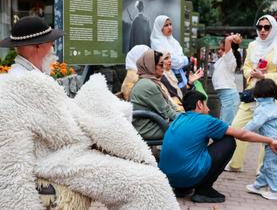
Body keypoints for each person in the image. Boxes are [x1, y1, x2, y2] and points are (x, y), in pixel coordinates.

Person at [0, 16, 180, 210]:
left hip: (63, 156)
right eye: (50, 42)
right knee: (149, 183)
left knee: (149, 179)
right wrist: (100, 122)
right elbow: (67, 133)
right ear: (36, 47)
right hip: (59, 161)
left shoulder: (23, 78)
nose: (53, 47)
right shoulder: (25, 84)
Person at [158, 90, 277, 203]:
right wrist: (270, 141)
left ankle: (182, 188)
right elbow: (242, 134)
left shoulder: (178, 119)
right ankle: (203, 190)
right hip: (187, 176)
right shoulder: (205, 120)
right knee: (228, 141)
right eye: (206, 105)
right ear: (199, 104)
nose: (208, 110)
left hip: (169, 180)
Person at [225, 15, 277, 172]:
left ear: (273, 28)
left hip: (271, 96)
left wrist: (265, 76)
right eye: (259, 27)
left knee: (270, 133)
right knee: (237, 126)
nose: (262, 30)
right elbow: (246, 66)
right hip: (252, 93)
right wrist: (252, 73)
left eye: (266, 27)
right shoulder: (253, 46)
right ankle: (235, 163)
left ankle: (263, 170)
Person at [245, 79, 277, 201]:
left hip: (275, 141)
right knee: (267, 164)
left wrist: (242, 132)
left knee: (271, 165)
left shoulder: (263, 108)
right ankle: (259, 186)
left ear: (258, 93)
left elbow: (255, 123)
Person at [130, 49, 178, 140]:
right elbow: (167, 112)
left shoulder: (149, 81)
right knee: (189, 128)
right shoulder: (148, 85)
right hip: (147, 129)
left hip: (153, 123)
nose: (163, 67)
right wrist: (188, 120)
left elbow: (169, 107)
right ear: (150, 66)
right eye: (160, 65)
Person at [151, 15, 189, 91]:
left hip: (181, 79)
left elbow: (178, 60)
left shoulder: (174, 41)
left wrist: (181, 60)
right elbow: (174, 62)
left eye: (170, 24)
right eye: (166, 25)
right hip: (167, 79)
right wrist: (184, 59)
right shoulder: (157, 43)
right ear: (159, 28)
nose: (169, 27)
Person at [212, 33, 242, 124]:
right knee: (224, 125)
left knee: (226, 127)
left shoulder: (230, 59)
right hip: (226, 96)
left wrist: (235, 38)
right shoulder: (224, 59)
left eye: (223, 49)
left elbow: (228, 40)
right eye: (219, 49)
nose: (219, 51)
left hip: (229, 96)